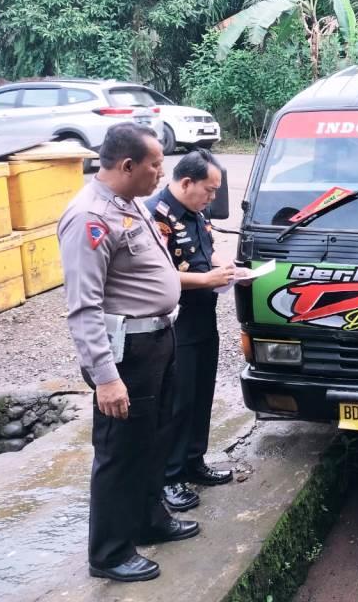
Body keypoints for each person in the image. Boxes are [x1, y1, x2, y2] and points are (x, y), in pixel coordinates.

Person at [58, 123, 198, 583]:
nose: (163, 172)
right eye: (156, 164)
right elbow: (83, 306)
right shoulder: (89, 217)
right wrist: (106, 377)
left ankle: (147, 520)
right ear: (127, 165)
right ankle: (110, 552)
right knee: (119, 451)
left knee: (154, 438)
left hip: (158, 338)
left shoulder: (129, 203)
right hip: (127, 352)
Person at [146, 149, 236, 512]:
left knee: (201, 393)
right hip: (176, 320)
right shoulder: (156, 215)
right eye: (209, 190)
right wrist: (205, 278)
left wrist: (223, 266)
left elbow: (207, 246)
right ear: (187, 183)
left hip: (204, 313)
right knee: (177, 401)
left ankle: (194, 462)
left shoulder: (197, 211)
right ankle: (169, 477)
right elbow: (157, 275)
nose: (213, 197)